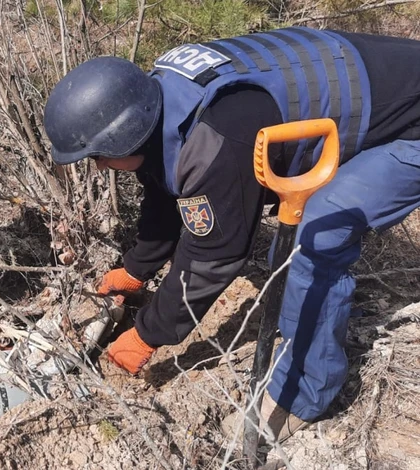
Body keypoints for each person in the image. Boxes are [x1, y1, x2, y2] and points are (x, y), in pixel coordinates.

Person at [43, 27, 420, 442]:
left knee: (314, 235)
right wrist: (135, 269)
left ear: (126, 133)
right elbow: (164, 188)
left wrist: (148, 334)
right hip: (381, 75)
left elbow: (213, 254)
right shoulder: (159, 100)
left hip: (410, 120)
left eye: (99, 156)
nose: (98, 167)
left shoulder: (219, 136)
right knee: (296, 241)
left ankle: (303, 394)